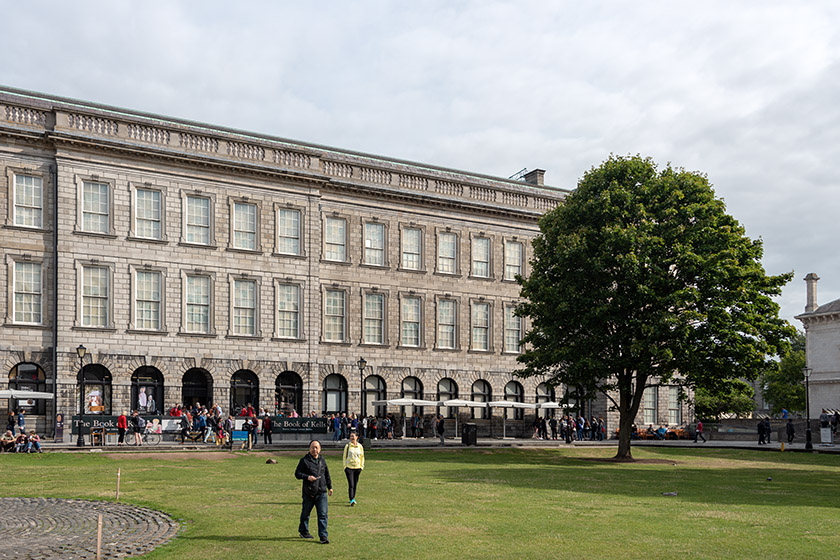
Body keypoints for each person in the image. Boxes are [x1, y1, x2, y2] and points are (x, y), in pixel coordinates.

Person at [295, 440, 332, 544]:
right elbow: (297, 474)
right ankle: (303, 531)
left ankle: (323, 536)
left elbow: (326, 474)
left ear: (320, 449)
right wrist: (307, 477)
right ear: (309, 448)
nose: (315, 449)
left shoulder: (322, 460)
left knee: (323, 515)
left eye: (317, 447)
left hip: (322, 492)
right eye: (313, 447)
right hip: (309, 492)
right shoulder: (304, 461)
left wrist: (330, 487)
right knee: (306, 513)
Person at [343, 431, 365, 506]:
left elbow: (362, 457)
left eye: (353, 436)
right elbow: (344, 457)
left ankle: (353, 497)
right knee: (351, 484)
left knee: (355, 484)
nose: (352, 438)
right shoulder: (347, 446)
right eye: (351, 436)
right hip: (349, 468)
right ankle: (351, 499)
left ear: (357, 437)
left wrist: (361, 466)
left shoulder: (360, 446)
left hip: (358, 467)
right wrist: (345, 466)